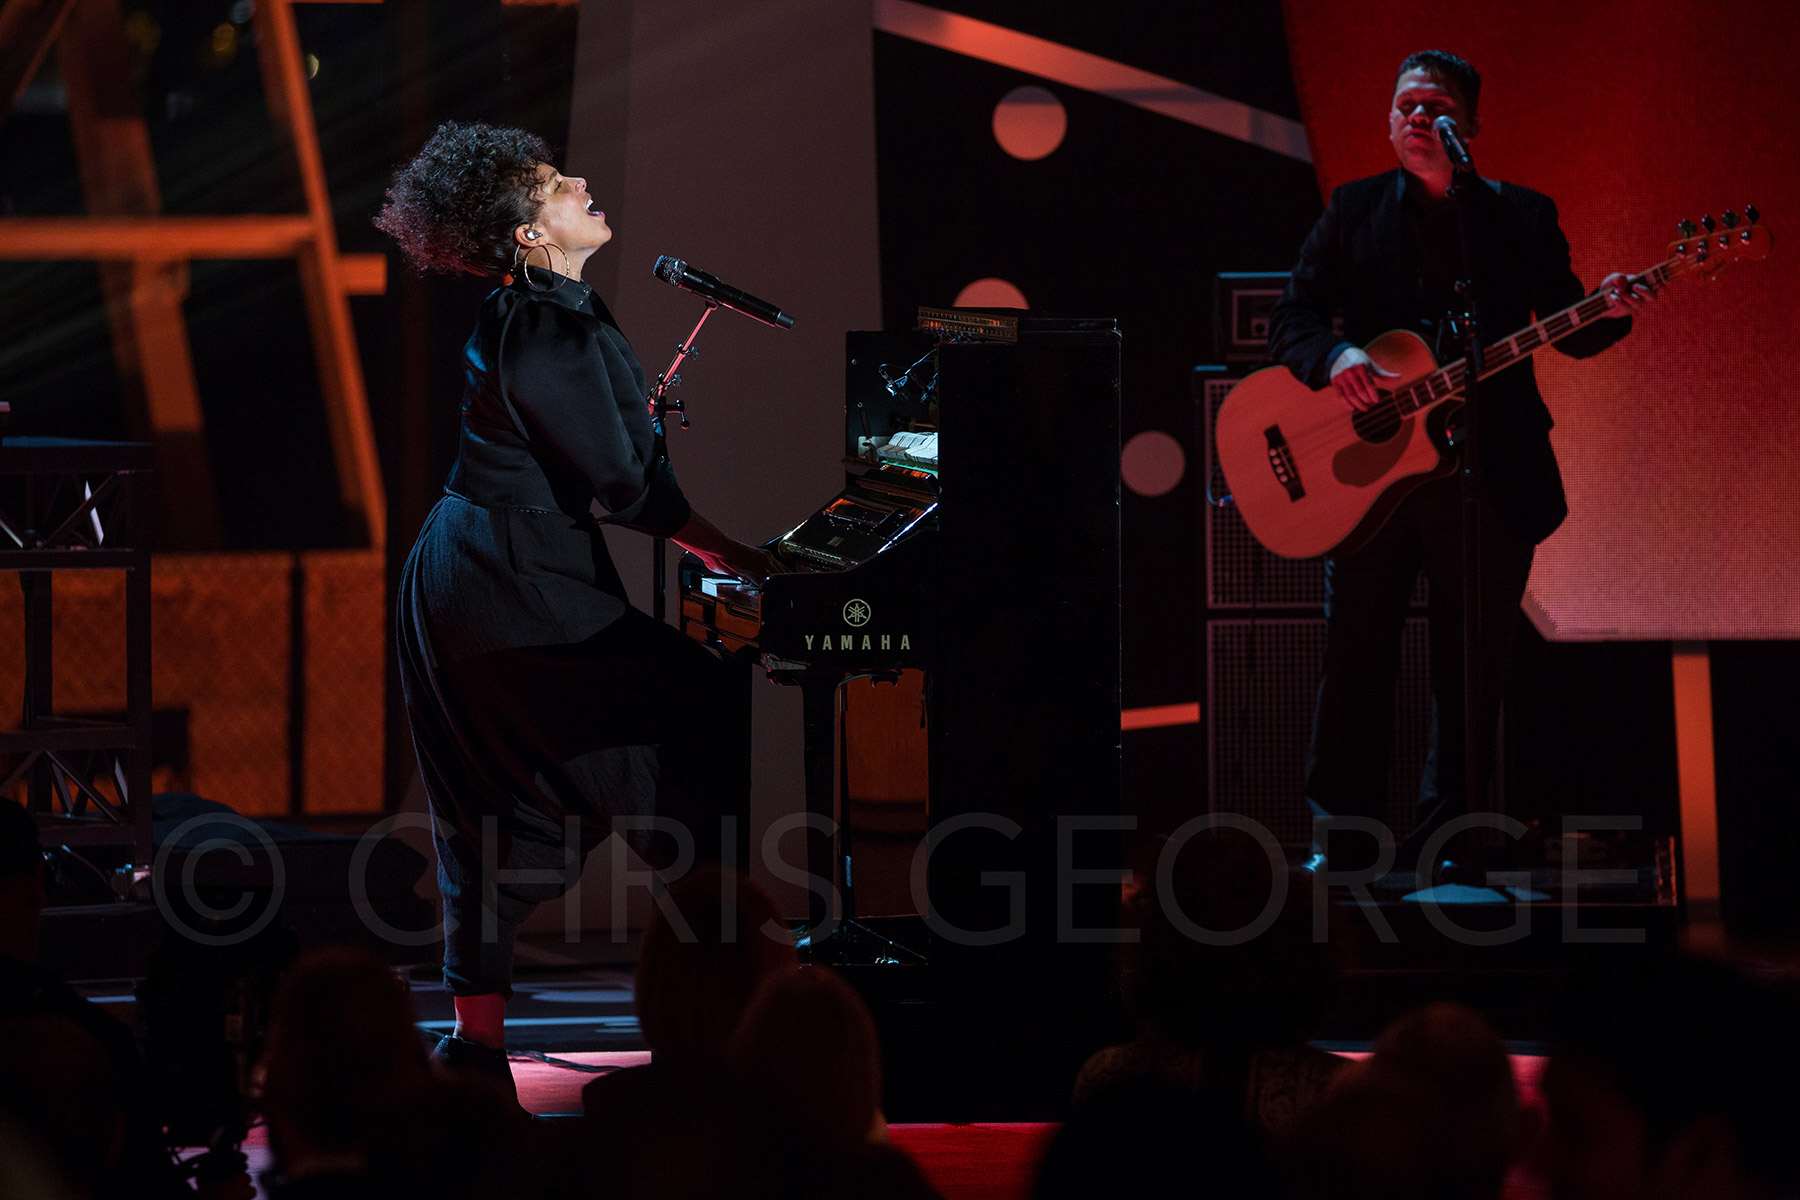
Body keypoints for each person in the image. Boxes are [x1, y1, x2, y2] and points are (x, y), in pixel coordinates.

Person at [373, 122, 774, 1092]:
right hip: (504, 582)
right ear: (524, 234)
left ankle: (476, 1050)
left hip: (482, 567)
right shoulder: (548, 324)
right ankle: (709, 1027)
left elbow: (592, 453)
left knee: (484, 807)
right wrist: (746, 560)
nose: (583, 182)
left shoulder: (539, 312)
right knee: (690, 722)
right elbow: (632, 495)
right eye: (557, 184)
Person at [1265, 51, 1655, 873]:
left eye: (1433, 106)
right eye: (1403, 104)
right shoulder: (1353, 208)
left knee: (1470, 672)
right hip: (1370, 483)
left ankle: (1454, 846)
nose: (1414, 117)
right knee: (1355, 661)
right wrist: (1336, 359)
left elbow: (1569, 325)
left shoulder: (1517, 216)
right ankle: (1343, 844)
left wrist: (1611, 309)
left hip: (1490, 474)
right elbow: (1293, 315)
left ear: (1467, 127)